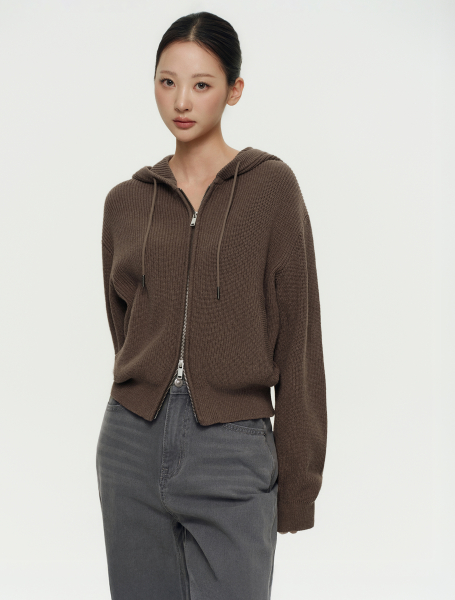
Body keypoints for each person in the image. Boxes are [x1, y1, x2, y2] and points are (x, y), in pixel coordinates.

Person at [96, 11, 327, 600]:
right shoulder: (125, 202)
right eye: (167, 81)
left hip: (233, 444)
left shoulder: (272, 189)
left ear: (234, 90)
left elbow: (299, 342)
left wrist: (298, 487)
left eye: (202, 84)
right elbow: (124, 328)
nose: (182, 101)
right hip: (130, 442)